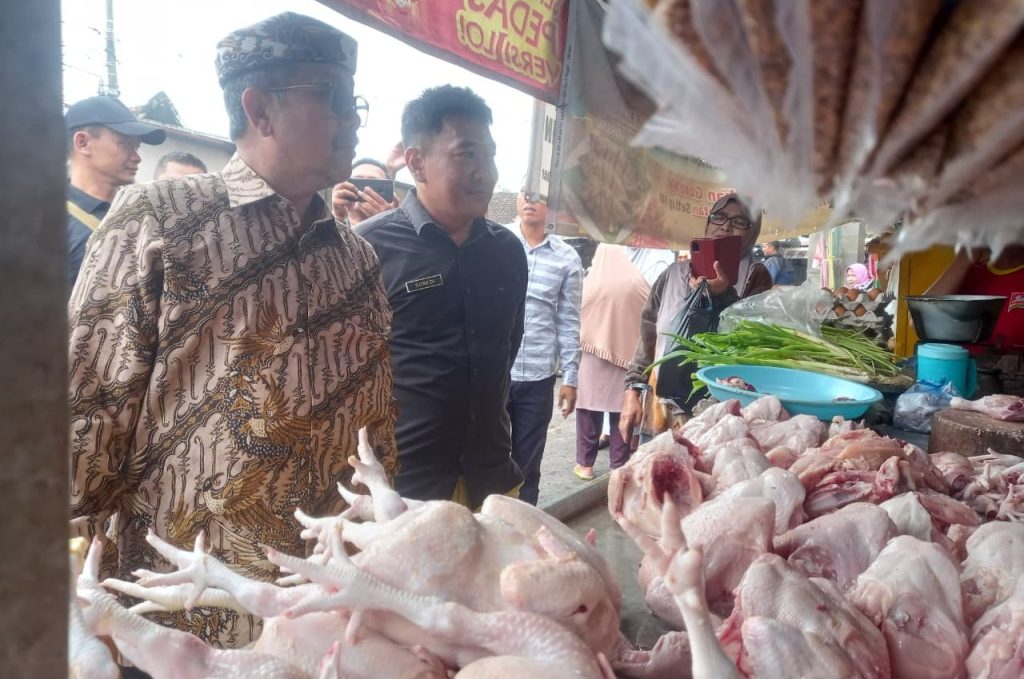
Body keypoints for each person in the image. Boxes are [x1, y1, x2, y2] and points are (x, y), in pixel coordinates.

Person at [67, 12, 397, 648]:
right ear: (259, 108)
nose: (352, 118)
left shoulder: (356, 258)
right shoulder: (160, 222)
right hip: (181, 610)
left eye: (352, 99)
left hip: (320, 604)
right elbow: (88, 410)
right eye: (330, 96)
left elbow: (375, 424)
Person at [356, 85, 527, 509]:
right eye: (466, 154)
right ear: (416, 162)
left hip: (492, 478)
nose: (484, 171)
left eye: (488, 154)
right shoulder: (368, 249)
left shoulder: (506, 251)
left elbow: (508, 349)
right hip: (405, 487)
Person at [619, 193, 773, 442]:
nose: (725, 225)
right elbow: (648, 337)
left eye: (739, 222)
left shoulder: (756, 276)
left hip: (716, 411)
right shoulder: (672, 274)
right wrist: (632, 391)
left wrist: (723, 296)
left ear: (752, 232)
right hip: (660, 407)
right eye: (719, 217)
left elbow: (749, 341)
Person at [506, 187, 582, 505]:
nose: (531, 201)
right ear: (517, 200)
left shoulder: (567, 258)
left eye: (539, 195)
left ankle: (522, 533)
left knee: (527, 463)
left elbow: (568, 320)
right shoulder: (496, 243)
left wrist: (571, 377)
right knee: (481, 457)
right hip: (494, 373)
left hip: (538, 378)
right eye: (526, 193)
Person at [64, 96, 165, 292]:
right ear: (82, 142)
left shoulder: (143, 210)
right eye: (125, 144)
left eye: (136, 147)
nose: (137, 157)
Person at [575, 244, 650, 480]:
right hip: (627, 357)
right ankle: (618, 466)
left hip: (592, 356)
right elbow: (650, 311)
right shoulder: (637, 283)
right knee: (622, 414)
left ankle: (585, 465)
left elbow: (575, 313)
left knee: (588, 412)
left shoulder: (590, 284)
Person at [926, 245, 1024, 395]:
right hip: (958, 384)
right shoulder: (971, 272)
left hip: (1014, 392)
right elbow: (923, 319)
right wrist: (964, 258)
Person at [331, 157, 398, 225]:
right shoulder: (324, 222)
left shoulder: (396, 229)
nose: (365, 190)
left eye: (373, 184)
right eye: (357, 182)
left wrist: (388, 222)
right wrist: (337, 217)